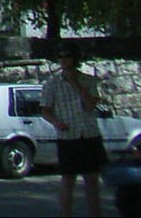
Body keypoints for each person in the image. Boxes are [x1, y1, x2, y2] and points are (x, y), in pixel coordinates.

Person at [43, 45, 105, 218]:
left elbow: (90, 105)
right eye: (60, 56)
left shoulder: (89, 81)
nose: (63, 60)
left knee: (92, 179)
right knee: (68, 180)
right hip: (68, 136)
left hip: (89, 134)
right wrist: (57, 123)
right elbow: (46, 110)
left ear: (75, 59)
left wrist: (75, 83)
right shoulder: (52, 83)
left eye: (67, 56)